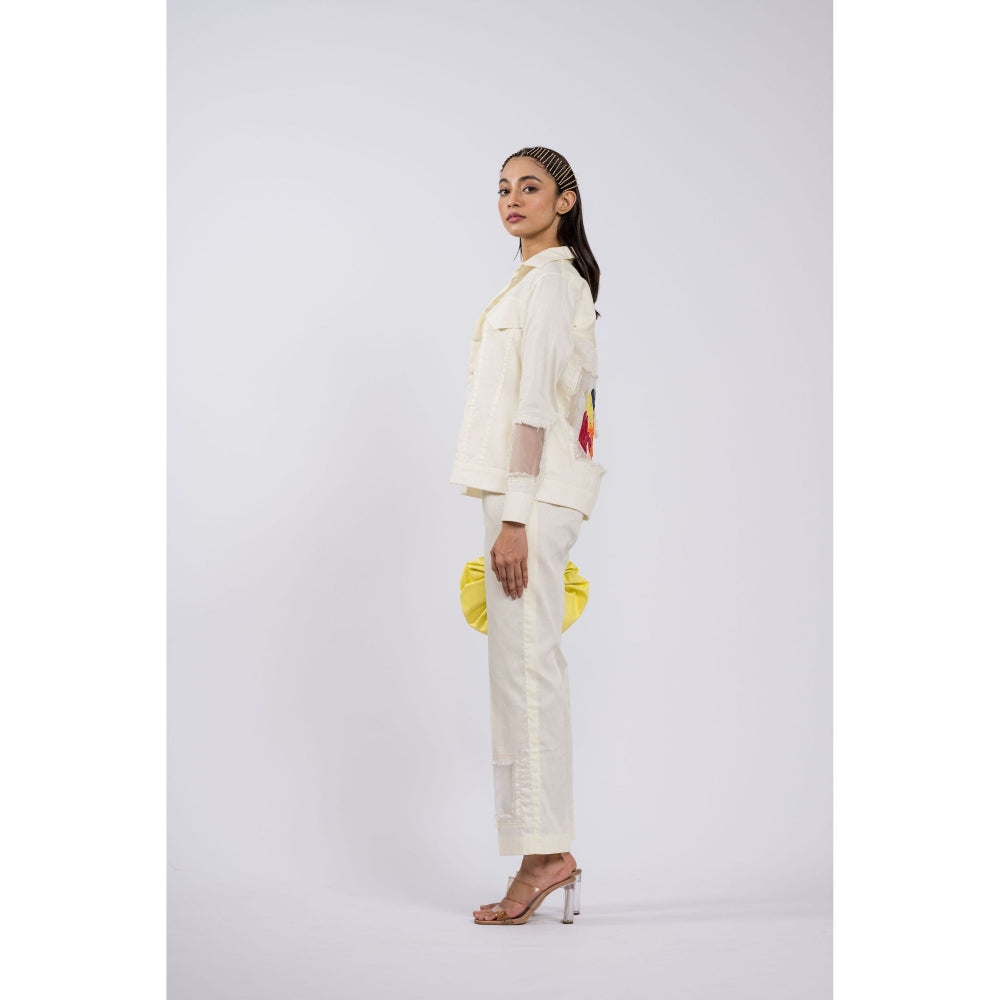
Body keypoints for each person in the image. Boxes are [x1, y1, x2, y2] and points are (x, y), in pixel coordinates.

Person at [449, 146, 606, 924]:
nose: (512, 198)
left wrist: (514, 516)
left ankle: (545, 855)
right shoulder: (529, 282)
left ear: (564, 201)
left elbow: (537, 407)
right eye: (503, 188)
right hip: (525, 493)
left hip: (531, 497)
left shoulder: (550, 283)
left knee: (526, 669)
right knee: (520, 666)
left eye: (531, 187)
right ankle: (542, 848)